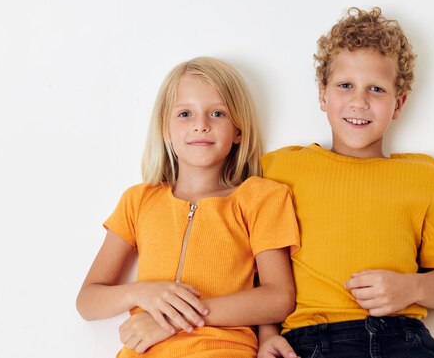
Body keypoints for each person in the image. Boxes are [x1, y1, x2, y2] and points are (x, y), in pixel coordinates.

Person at [257, 8, 434, 358]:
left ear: (398, 104)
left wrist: (411, 286)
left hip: (402, 339)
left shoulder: (424, 177)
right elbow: (259, 271)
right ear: (323, 95)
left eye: (376, 89)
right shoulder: (281, 168)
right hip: (310, 342)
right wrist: (266, 335)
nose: (360, 101)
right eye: (345, 86)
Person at [77, 57, 300, 358]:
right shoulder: (139, 200)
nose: (201, 125)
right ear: (165, 129)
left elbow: (278, 298)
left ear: (238, 130)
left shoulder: (261, 197)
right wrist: (141, 292)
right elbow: (88, 301)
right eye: (185, 113)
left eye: (218, 113)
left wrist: (173, 319)